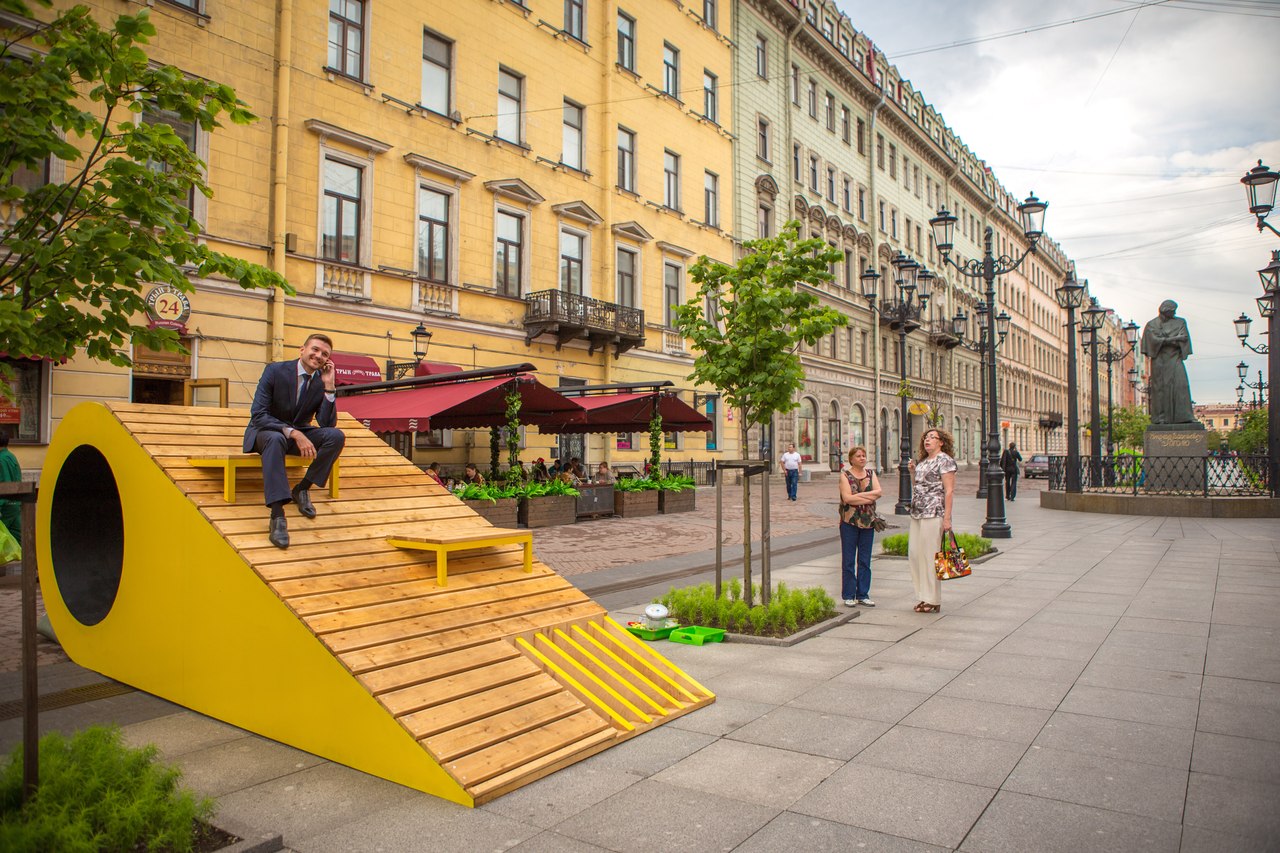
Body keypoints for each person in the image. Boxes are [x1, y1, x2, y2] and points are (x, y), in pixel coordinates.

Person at [243, 333, 346, 550]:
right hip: (266, 431)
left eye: (324, 354)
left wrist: (329, 387)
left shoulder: (320, 382)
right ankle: (277, 515)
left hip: (296, 435)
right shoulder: (275, 370)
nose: (318, 356)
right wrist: (294, 433)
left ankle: (302, 488)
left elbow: (327, 423)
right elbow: (258, 415)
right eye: (315, 350)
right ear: (302, 350)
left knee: (336, 437)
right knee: (275, 439)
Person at [906, 427, 956, 614]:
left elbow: (949, 490)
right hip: (918, 511)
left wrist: (947, 518)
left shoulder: (945, 460)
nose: (928, 440)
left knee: (929, 556)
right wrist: (913, 472)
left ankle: (933, 599)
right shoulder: (924, 462)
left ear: (941, 442)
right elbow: (918, 487)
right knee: (915, 554)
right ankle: (922, 596)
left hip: (934, 512)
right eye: (926, 437)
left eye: (932, 437)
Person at [838, 446, 882, 607]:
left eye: (864, 455)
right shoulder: (845, 476)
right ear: (851, 459)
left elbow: (879, 492)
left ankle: (863, 594)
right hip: (849, 522)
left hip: (868, 523)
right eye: (858, 456)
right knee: (849, 560)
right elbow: (847, 499)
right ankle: (849, 595)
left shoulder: (871, 474)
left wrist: (858, 497)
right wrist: (868, 498)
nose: (862, 458)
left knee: (865, 560)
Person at [1140, 299, 1195, 425]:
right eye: (1172, 311)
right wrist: (1175, 339)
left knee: (1181, 385)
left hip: (1175, 357)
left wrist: (1164, 340)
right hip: (1159, 360)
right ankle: (1160, 418)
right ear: (1166, 310)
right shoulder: (1152, 324)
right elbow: (1153, 342)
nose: (1174, 313)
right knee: (1160, 388)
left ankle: (1184, 416)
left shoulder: (1180, 322)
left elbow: (1184, 338)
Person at [0, 434, 21, 548]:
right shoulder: (10, 456)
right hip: (15, 503)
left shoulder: (1, 459)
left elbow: (5, 485)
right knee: (18, 538)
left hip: (5, 506)